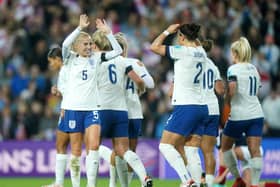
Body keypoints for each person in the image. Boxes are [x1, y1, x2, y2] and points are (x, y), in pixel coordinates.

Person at [60, 14, 123, 187]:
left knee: (94, 146)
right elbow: (65, 45)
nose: (89, 47)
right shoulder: (70, 59)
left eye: (90, 44)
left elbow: (117, 52)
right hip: (73, 109)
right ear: (77, 46)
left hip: (92, 109)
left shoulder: (96, 58)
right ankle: (75, 185)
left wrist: (109, 33)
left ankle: (91, 185)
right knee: (75, 150)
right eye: (85, 44)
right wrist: (79, 28)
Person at [150, 23, 208, 187]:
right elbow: (195, 42)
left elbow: (154, 47)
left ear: (182, 37)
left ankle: (187, 181)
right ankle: (198, 183)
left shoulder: (181, 51)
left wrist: (167, 30)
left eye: (178, 36)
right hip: (202, 107)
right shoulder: (201, 52)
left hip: (186, 106)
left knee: (165, 145)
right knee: (190, 150)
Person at [93, 30, 152, 187]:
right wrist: (140, 87)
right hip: (124, 112)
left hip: (103, 108)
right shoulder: (126, 62)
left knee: (94, 147)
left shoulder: (95, 59)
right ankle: (143, 177)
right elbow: (143, 82)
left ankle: (106, 184)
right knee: (124, 151)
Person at [221, 37, 264, 187]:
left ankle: (238, 178)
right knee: (255, 151)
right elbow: (256, 93)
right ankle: (255, 184)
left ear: (235, 53)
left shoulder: (233, 69)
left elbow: (232, 88)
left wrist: (226, 100)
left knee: (225, 146)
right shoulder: (254, 69)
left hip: (239, 115)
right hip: (256, 114)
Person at [198, 39, 224, 187]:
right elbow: (220, 90)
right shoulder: (213, 66)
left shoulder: (193, 63)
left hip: (197, 107)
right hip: (213, 109)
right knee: (209, 151)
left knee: (190, 145)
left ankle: (193, 180)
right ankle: (208, 183)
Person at [42, 47, 69, 187]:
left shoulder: (65, 71)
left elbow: (71, 93)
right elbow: (67, 92)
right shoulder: (64, 71)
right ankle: (58, 183)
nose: (50, 65)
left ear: (58, 59)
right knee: (61, 145)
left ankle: (59, 183)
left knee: (90, 146)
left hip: (70, 111)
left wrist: (64, 108)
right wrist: (57, 92)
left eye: (51, 61)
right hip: (69, 110)